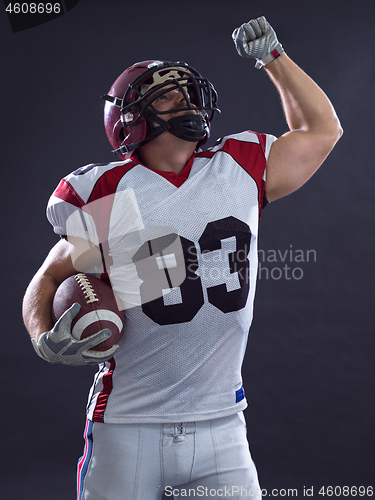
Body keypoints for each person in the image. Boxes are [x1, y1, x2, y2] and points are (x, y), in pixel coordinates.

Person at [22, 16, 342, 500]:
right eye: (170, 96)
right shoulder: (108, 192)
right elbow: (50, 275)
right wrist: (41, 335)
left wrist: (273, 58)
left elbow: (322, 130)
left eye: (190, 92)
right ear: (132, 118)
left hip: (222, 424)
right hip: (128, 424)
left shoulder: (238, 168)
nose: (188, 102)